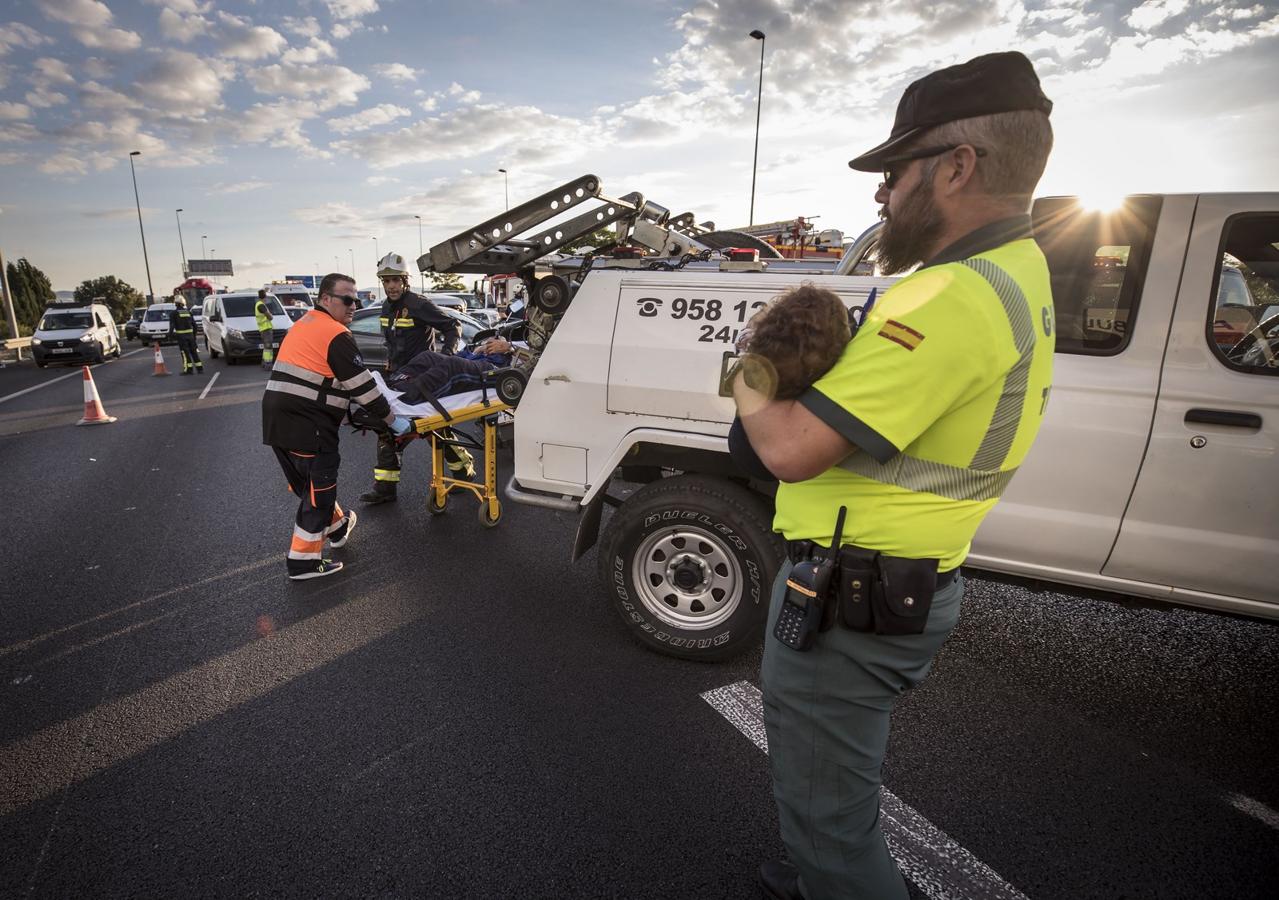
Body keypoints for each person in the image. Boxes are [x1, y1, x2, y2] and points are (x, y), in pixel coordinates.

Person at [734, 51, 1056, 900]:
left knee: (832, 826)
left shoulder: (948, 297)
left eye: (892, 171)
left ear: (956, 166)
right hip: (884, 586)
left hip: (853, 601)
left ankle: (831, 876)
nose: (880, 193)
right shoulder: (1010, 273)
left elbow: (789, 449)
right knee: (825, 801)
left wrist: (746, 371)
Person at [262, 272, 411, 580]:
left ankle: (339, 526)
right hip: (308, 424)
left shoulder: (305, 324)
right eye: (347, 299)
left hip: (278, 420)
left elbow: (320, 376)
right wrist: (392, 420)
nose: (353, 305)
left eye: (356, 299)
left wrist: (342, 408)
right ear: (326, 299)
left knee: (312, 486)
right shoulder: (335, 333)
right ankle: (302, 562)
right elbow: (362, 387)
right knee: (319, 491)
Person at [359, 251, 474, 505]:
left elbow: (452, 327)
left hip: (423, 378)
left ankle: (463, 470)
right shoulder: (388, 307)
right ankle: (385, 489)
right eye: (386, 280)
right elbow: (393, 339)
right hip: (398, 377)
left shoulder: (419, 304)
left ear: (405, 281)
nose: (391, 285)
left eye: (396, 280)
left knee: (435, 430)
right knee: (387, 429)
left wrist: (445, 357)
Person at [170, 296, 203, 375]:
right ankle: (200, 369)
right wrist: (194, 336)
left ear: (175, 304)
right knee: (194, 352)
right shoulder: (188, 312)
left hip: (181, 337)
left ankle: (188, 370)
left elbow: (172, 326)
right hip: (190, 336)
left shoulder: (173, 313)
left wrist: (171, 336)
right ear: (183, 303)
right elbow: (195, 326)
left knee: (185, 354)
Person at [255, 289, 275, 370]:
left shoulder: (258, 304)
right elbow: (269, 317)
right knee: (268, 347)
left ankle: (264, 363)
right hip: (266, 329)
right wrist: (270, 315)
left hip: (263, 329)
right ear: (265, 296)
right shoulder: (261, 305)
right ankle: (268, 364)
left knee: (266, 347)